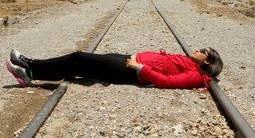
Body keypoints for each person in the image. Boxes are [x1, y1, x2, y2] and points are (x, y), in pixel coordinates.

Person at [6, 48, 223, 89]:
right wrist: (163, 56)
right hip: (128, 60)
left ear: (207, 62)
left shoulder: (196, 75)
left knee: (78, 57)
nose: (198, 49)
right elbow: (169, 68)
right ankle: (30, 72)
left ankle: (31, 67)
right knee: (83, 67)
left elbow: (168, 82)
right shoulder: (190, 63)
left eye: (203, 51)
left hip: (129, 71)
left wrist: (140, 66)